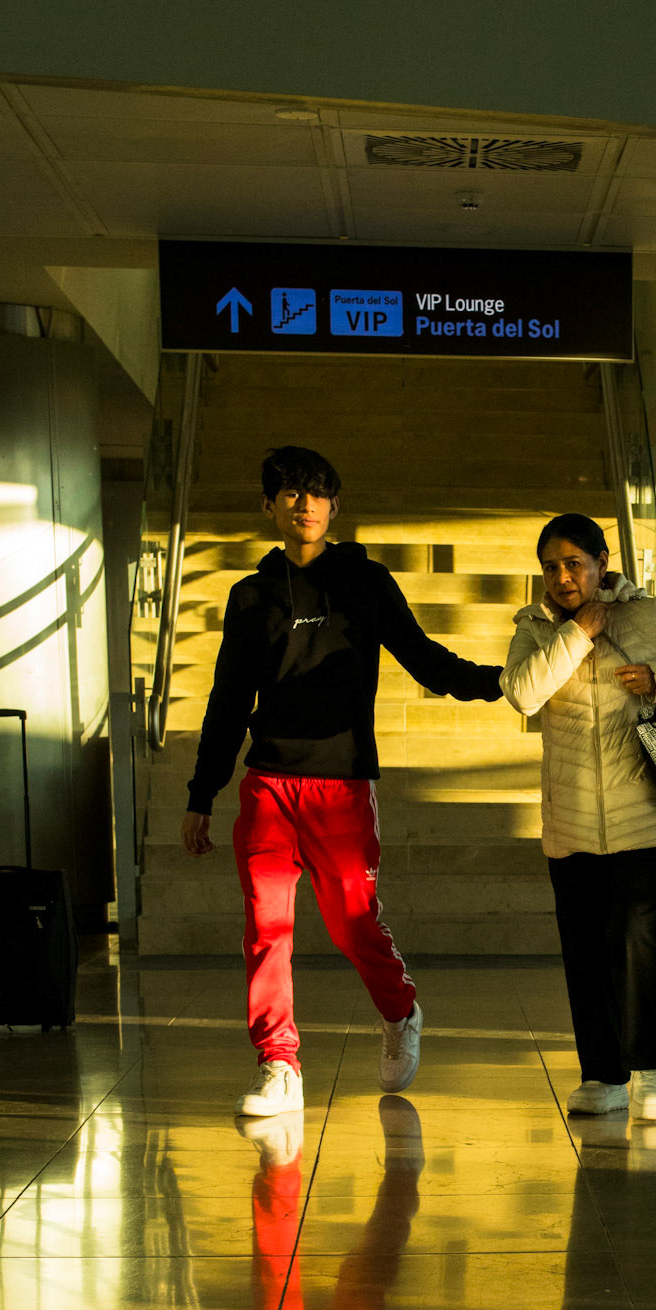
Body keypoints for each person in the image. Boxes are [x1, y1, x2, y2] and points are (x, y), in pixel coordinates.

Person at [181, 445, 503, 1119]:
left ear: (335, 505)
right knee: (267, 929)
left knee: (352, 924)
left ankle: (400, 1011)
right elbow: (228, 699)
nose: (304, 504)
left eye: (317, 493)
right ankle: (279, 1064)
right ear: (268, 506)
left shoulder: (367, 583)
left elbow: (424, 659)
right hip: (269, 784)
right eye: (290, 493)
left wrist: (503, 683)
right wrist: (202, 793)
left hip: (341, 786)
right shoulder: (251, 597)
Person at [501, 513, 656, 1121]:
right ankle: (601, 1077)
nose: (562, 577)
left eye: (573, 564)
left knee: (639, 942)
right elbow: (523, 693)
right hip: (571, 825)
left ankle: (649, 1073)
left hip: (647, 818)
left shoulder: (650, 616)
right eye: (551, 567)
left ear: (602, 564)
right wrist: (577, 632)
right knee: (584, 951)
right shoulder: (534, 627)